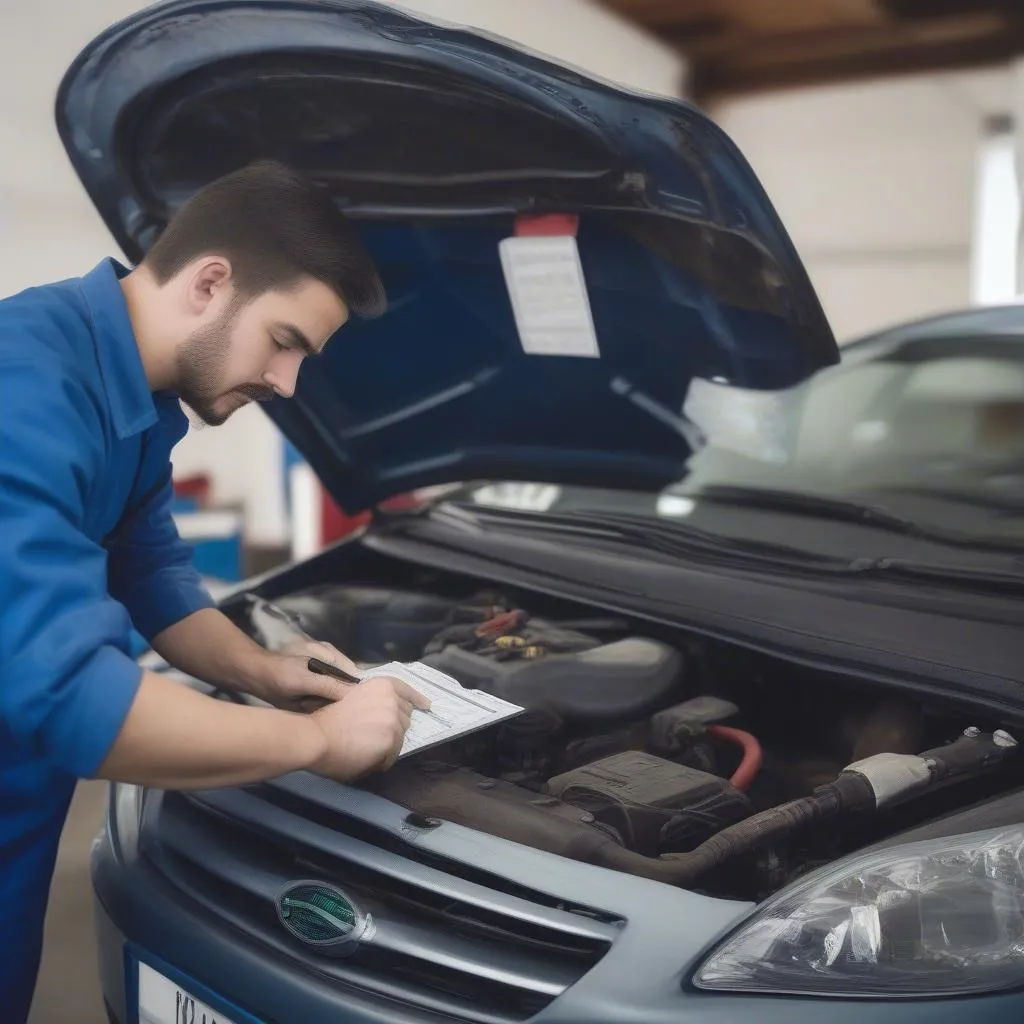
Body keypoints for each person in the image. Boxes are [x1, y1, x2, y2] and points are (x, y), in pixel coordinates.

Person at [0, 160, 430, 1022]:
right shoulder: (24, 387)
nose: (287, 383)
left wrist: (268, 671)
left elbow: (151, 574)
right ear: (209, 283)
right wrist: (318, 744)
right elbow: (77, 704)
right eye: (286, 342)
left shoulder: (128, 392)